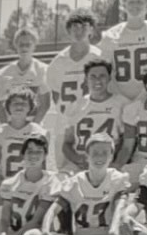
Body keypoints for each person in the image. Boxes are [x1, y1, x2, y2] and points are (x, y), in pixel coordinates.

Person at [40, 133, 132, 235]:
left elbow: (120, 208)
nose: (99, 157)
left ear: (111, 156)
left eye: (105, 153)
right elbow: (53, 210)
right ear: (87, 156)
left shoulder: (117, 179)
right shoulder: (75, 181)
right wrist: (45, 231)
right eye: (95, 153)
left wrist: (113, 230)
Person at [0, 88, 49, 228]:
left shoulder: (38, 132)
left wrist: (28, 188)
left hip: (31, 186)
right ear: (7, 107)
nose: (19, 106)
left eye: (23, 103)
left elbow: (43, 168)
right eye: (15, 103)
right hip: (5, 184)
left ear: (30, 107)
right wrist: (6, 186)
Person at [44, 9, 103, 170]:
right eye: (75, 27)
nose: (79, 31)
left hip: (93, 120)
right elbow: (56, 95)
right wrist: (68, 113)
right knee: (64, 171)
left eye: (84, 26)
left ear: (92, 29)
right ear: (68, 31)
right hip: (65, 122)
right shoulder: (58, 62)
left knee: (94, 169)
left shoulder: (100, 57)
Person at [61, 60, 130, 172]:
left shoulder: (122, 104)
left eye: (102, 76)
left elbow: (127, 142)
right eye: (93, 76)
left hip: (108, 162)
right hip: (80, 163)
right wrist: (77, 159)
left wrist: (113, 162)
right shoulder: (76, 106)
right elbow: (67, 144)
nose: (97, 80)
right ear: (86, 79)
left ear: (109, 78)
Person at [0, 27, 50, 124]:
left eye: (28, 44)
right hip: (12, 127)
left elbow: (45, 104)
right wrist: (7, 129)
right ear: (15, 46)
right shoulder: (4, 73)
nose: (24, 48)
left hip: (34, 128)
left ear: (34, 45)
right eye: (21, 44)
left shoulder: (42, 70)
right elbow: (1, 108)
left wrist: (33, 128)